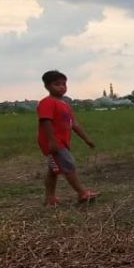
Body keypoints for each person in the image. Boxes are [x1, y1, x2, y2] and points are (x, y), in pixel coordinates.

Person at [37, 71, 98, 206]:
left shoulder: (65, 104)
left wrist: (86, 139)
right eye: (56, 84)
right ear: (47, 86)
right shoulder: (47, 103)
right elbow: (45, 121)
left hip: (62, 142)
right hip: (54, 143)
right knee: (69, 166)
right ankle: (82, 193)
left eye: (64, 84)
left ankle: (50, 198)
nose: (61, 87)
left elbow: (74, 124)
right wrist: (52, 141)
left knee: (53, 171)